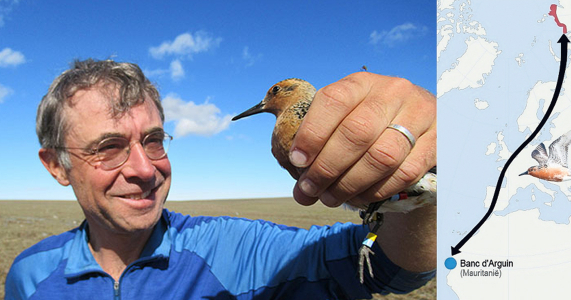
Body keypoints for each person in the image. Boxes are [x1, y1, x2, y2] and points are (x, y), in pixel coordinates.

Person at [5, 59, 436, 299]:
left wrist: (426, 182)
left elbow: (385, 272)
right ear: (56, 166)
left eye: (154, 140)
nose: (143, 169)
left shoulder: (239, 249)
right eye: (108, 146)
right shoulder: (28, 276)